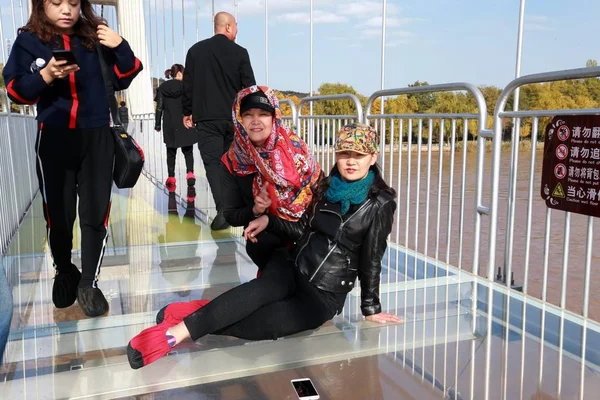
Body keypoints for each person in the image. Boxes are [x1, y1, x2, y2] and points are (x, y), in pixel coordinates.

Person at [127, 123, 403, 369]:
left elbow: (372, 259)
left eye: (359, 155)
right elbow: (302, 229)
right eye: (344, 154)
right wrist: (268, 221)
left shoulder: (380, 203)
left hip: (324, 294)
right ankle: (171, 335)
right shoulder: (325, 186)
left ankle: (193, 314)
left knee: (264, 325)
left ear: (373, 158)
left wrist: (371, 308)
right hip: (292, 264)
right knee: (261, 290)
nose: (350, 162)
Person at [2, 0, 143, 317]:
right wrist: (47, 75)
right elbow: (15, 90)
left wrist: (119, 45)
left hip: (97, 136)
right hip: (54, 136)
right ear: (42, 5)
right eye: (56, 2)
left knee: (95, 214)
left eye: (74, 3)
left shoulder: (94, 36)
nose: (66, 9)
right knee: (59, 215)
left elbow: (126, 74)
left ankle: (89, 283)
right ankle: (65, 270)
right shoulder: (29, 40)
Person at [221, 86, 321, 271]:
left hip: (306, 230)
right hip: (269, 239)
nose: (256, 121)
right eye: (248, 114)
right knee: (262, 243)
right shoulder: (233, 160)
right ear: (239, 119)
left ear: (274, 118)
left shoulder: (295, 149)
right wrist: (256, 209)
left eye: (264, 114)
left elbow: (320, 192)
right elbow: (231, 215)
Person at [182, 11, 256, 231]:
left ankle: (224, 210)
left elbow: (189, 85)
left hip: (206, 118)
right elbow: (249, 88)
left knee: (214, 164)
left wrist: (188, 111)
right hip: (234, 119)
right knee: (236, 162)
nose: (236, 31)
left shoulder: (195, 52)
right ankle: (243, 208)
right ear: (228, 27)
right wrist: (249, 116)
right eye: (236, 26)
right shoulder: (241, 53)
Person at [155, 64, 199, 192]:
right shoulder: (186, 86)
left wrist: (157, 124)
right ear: (179, 73)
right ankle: (190, 174)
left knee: (171, 151)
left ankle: (171, 178)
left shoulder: (163, 88)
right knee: (188, 150)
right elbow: (192, 104)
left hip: (169, 123)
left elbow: (159, 107)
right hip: (184, 121)